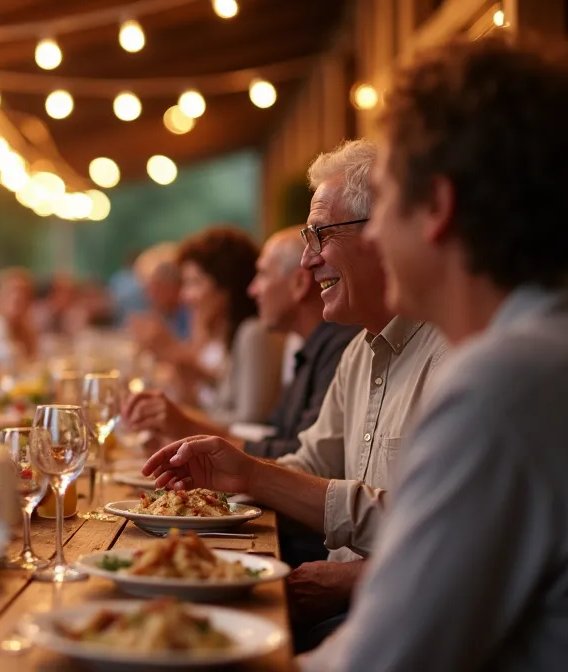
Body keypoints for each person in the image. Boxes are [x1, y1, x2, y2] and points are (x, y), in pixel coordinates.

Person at [304, 37, 568, 671]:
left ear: (437, 208)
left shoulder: (508, 386)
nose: (377, 234)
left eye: (386, 201)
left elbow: (378, 663)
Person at [142, 138, 447, 650]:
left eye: (319, 235)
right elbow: (310, 463)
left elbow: (447, 541)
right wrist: (239, 472)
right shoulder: (358, 353)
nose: (306, 262)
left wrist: (351, 579)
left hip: (395, 629)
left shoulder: (456, 355)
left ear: (383, 234)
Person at [125, 227, 359, 458]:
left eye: (263, 274)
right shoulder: (308, 348)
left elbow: (296, 454)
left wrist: (188, 428)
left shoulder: (337, 346)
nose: (252, 289)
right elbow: (275, 436)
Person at [168, 227, 284, 426]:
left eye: (195, 282)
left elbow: (249, 420)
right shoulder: (232, 334)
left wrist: (184, 420)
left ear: (226, 286)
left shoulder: (254, 332)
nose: (185, 296)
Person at [0, 268, 40, 368]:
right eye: (12, 291)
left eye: (24, 292)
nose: (18, 297)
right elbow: (7, 359)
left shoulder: (25, 325)